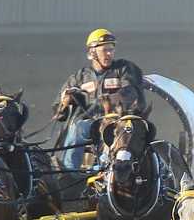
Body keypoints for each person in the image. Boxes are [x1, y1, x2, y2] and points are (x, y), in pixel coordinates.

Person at [54, 28, 146, 170]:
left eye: (111, 50)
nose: (109, 54)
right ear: (92, 52)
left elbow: (132, 93)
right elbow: (59, 112)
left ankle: (106, 170)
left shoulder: (124, 69)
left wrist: (112, 100)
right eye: (105, 50)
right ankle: (69, 173)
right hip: (91, 125)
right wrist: (64, 104)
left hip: (119, 124)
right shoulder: (79, 77)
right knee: (77, 128)